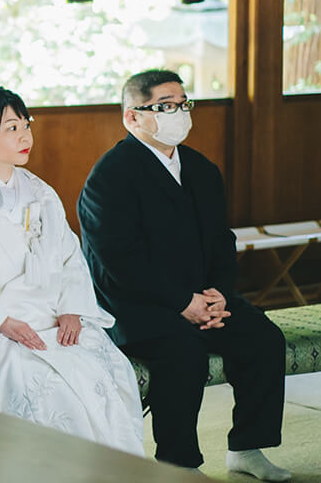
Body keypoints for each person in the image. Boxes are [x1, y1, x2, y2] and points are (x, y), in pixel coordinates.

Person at [78, 69, 290, 481]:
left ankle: (247, 447)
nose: (178, 113)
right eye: (164, 106)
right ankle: (179, 464)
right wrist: (182, 303)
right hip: (135, 305)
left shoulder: (200, 168)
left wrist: (219, 294)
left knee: (263, 338)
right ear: (132, 117)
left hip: (203, 297)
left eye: (182, 104)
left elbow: (221, 241)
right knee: (183, 354)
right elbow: (118, 262)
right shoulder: (110, 176)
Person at [0, 85, 144, 455]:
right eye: (11, 128)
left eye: (26, 125)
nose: (25, 136)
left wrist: (72, 308)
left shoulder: (40, 191)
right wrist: (2, 321)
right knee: (53, 391)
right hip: (0, 330)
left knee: (110, 370)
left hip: (54, 317)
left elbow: (69, 255)